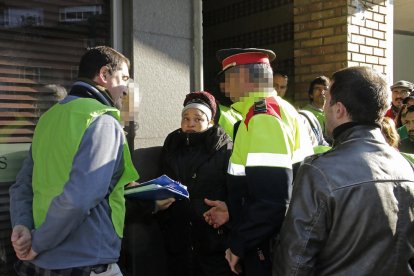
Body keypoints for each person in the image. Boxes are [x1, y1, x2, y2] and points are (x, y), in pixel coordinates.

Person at [9, 46, 139, 276]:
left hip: (40, 262)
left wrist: (22, 227)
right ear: (104, 75)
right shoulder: (103, 121)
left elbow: (23, 184)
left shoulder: (48, 118)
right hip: (85, 260)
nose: (125, 89)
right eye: (124, 78)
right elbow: (79, 198)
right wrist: (37, 243)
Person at [272, 66, 414, 275]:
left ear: (339, 109)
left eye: (327, 99)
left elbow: (295, 260)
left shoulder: (318, 170)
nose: (324, 108)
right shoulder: (406, 167)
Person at [205, 48, 311, 276]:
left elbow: (272, 202)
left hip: (267, 245)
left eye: (227, 79)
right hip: (275, 238)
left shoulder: (262, 118)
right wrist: (233, 209)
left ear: (243, 77)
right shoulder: (273, 111)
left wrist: (239, 244)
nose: (225, 87)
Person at [157, 91, 233, 276]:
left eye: (198, 119)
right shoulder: (172, 146)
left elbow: (236, 190)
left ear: (210, 122)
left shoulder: (225, 149)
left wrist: (229, 210)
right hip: (178, 242)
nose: (190, 123)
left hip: (214, 242)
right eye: (186, 118)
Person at [302, 76, 330, 140]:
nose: (322, 92)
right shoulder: (304, 114)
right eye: (318, 89)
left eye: (325, 89)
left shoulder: (334, 114)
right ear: (311, 94)